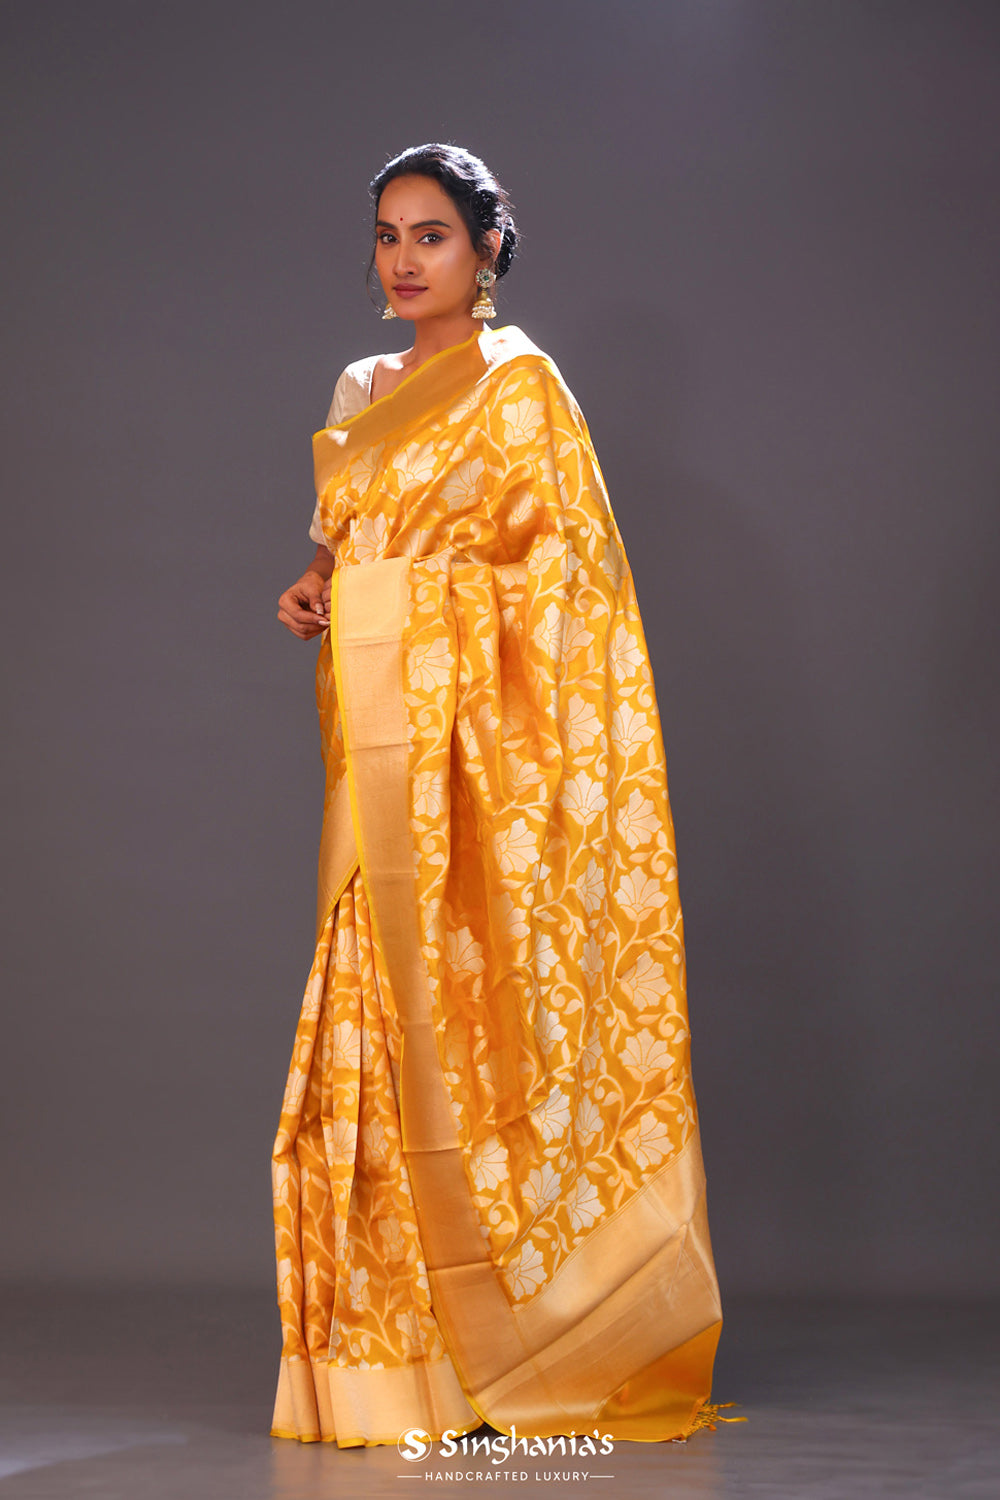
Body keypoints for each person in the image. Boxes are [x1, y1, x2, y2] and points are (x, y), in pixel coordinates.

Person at [271, 143, 734, 1450]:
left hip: (480, 778)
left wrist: (399, 604)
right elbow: (347, 546)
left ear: (484, 250)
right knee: (370, 1015)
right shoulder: (361, 389)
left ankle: (514, 1344)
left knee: (474, 1018)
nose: (404, 259)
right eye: (387, 235)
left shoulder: (520, 387)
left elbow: (571, 596)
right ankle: (391, 1361)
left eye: (431, 235)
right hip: (379, 756)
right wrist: (317, 587)